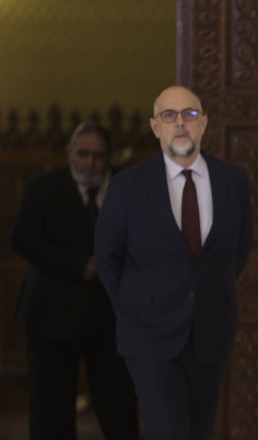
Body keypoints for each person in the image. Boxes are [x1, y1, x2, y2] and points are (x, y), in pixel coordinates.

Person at [94, 85, 253, 440]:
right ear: (155, 127)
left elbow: (238, 250)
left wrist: (210, 293)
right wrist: (135, 306)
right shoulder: (127, 185)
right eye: (169, 115)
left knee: (197, 431)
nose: (180, 122)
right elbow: (107, 257)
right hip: (149, 336)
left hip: (210, 335)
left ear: (204, 124)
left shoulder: (232, 182)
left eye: (189, 114)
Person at [10, 122, 139, 440]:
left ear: (109, 156)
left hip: (111, 317)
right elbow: (22, 239)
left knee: (119, 405)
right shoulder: (42, 188)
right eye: (83, 154)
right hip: (52, 314)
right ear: (69, 152)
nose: (90, 163)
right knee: (51, 411)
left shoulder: (130, 187)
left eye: (99, 156)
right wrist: (80, 266)